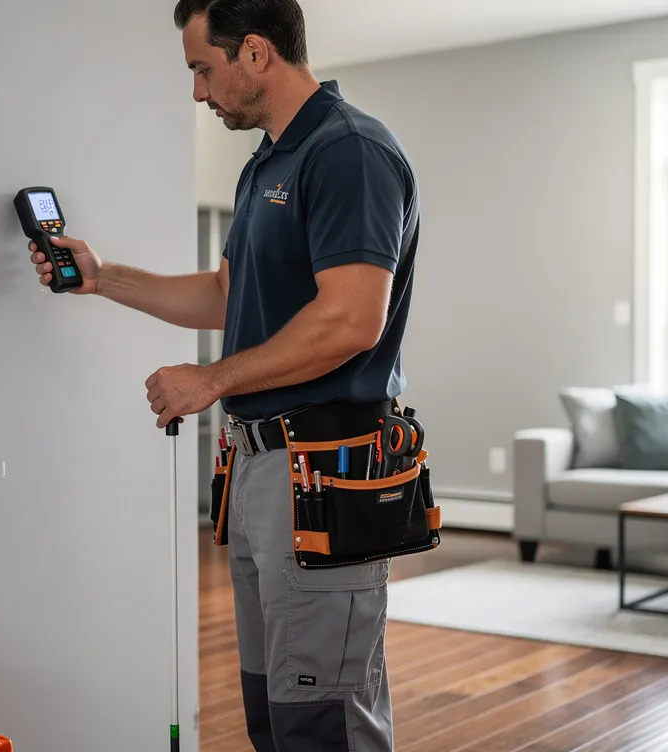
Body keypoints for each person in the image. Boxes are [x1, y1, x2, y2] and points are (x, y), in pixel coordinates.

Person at [27, 1, 419, 749]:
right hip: (262, 469)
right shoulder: (269, 163)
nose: (198, 93)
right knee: (273, 708)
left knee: (322, 719)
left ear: (257, 53)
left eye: (204, 69)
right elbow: (226, 297)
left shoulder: (349, 153)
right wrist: (104, 277)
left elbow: (351, 321)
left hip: (323, 472)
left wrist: (209, 381)